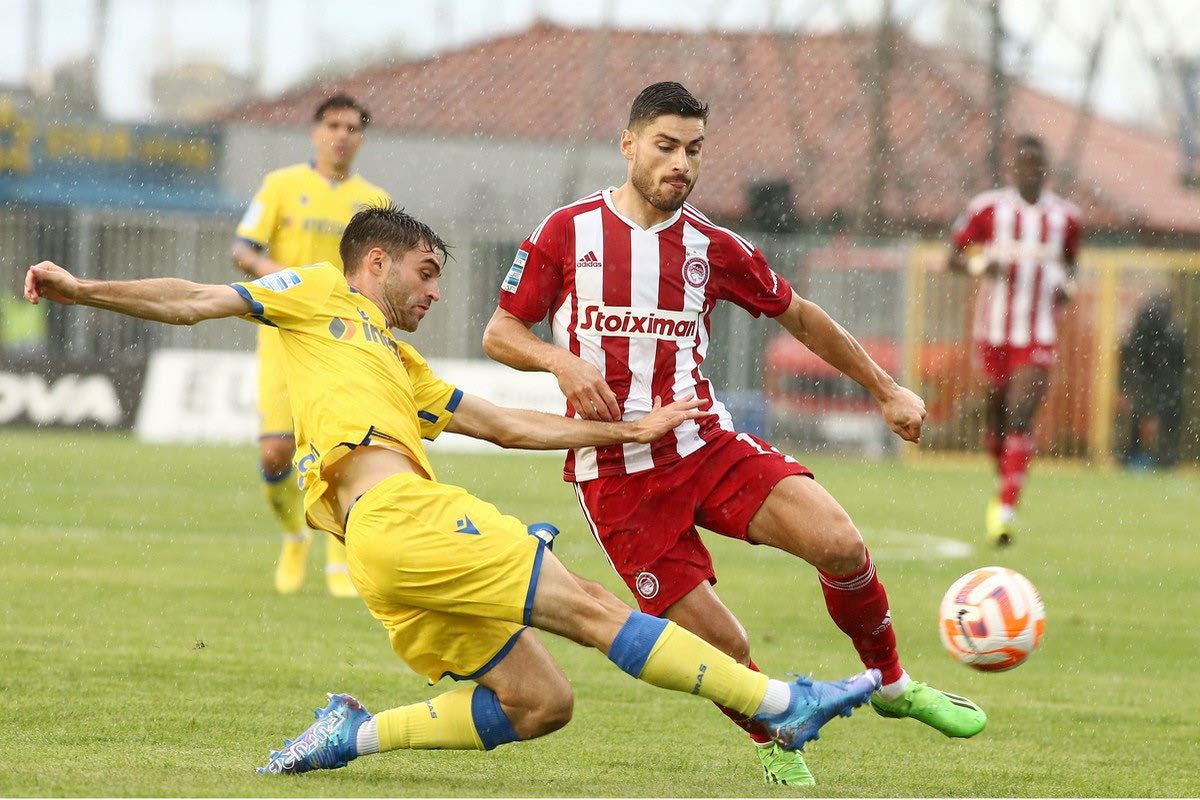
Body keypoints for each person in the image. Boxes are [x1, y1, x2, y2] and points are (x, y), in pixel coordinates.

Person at [24, 203, 883, 776]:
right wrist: (82, 290)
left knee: (540, 703)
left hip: (383, 553)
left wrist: (629, 433)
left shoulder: (402, 365)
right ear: (376, 262)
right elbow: (195, 299)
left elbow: (507, 425)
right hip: (403, 518)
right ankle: (782, 703)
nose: (436, 291)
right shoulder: (316, 293)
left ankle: (349, 734)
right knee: (592, 607)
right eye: (426, 272)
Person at [482, 81, 986, 787]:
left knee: (840, 543)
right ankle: (774, 737)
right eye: (665, 147)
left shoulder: (711, 246)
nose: (680, 164)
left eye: (694, 150)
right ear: (628, 145)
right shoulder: (567, 232)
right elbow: (500, 332)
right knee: (725, 646)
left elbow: (799, 314)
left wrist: (886, 389)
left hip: (704, 445)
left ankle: (893, 684)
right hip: (617, 476)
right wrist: (560, 361)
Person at [232, 93, 390, 597]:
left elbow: (384, 271)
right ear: (316, 133)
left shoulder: (374, 201)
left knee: (343, 450)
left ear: (361, 139)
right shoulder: (282, 185)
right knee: (276, 454)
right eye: (333, 125)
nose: (342, 135)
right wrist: (287, 280)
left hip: (342, 339)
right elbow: (243, 250)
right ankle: (294, 535)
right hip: (283, 333)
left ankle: (341, 555)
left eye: (352, 127)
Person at [948, 134, 1083, 546]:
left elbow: (1072, 267)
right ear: (1013, 169)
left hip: (1037, 333)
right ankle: (1004, 477)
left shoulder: (1065, 218)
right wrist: (982, 266)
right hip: (993, 332)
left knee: (1021, 415)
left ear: (1045, 170)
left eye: (1036, 165)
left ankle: (1004, 512)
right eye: (1023, 164)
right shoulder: (988, 209)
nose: (1030, 171)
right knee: (997, 422)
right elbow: (954, 256)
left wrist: (1068, 289)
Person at [1119, 292, 1186, 469]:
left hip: (1156, 384)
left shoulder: (1145, 331)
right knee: (1162, 419)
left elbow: (1133, 359)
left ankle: (1138, 456)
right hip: (1160, 384)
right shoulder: (1173, 331)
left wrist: (1128, 388)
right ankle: (1162, 458)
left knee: (1148, 417)